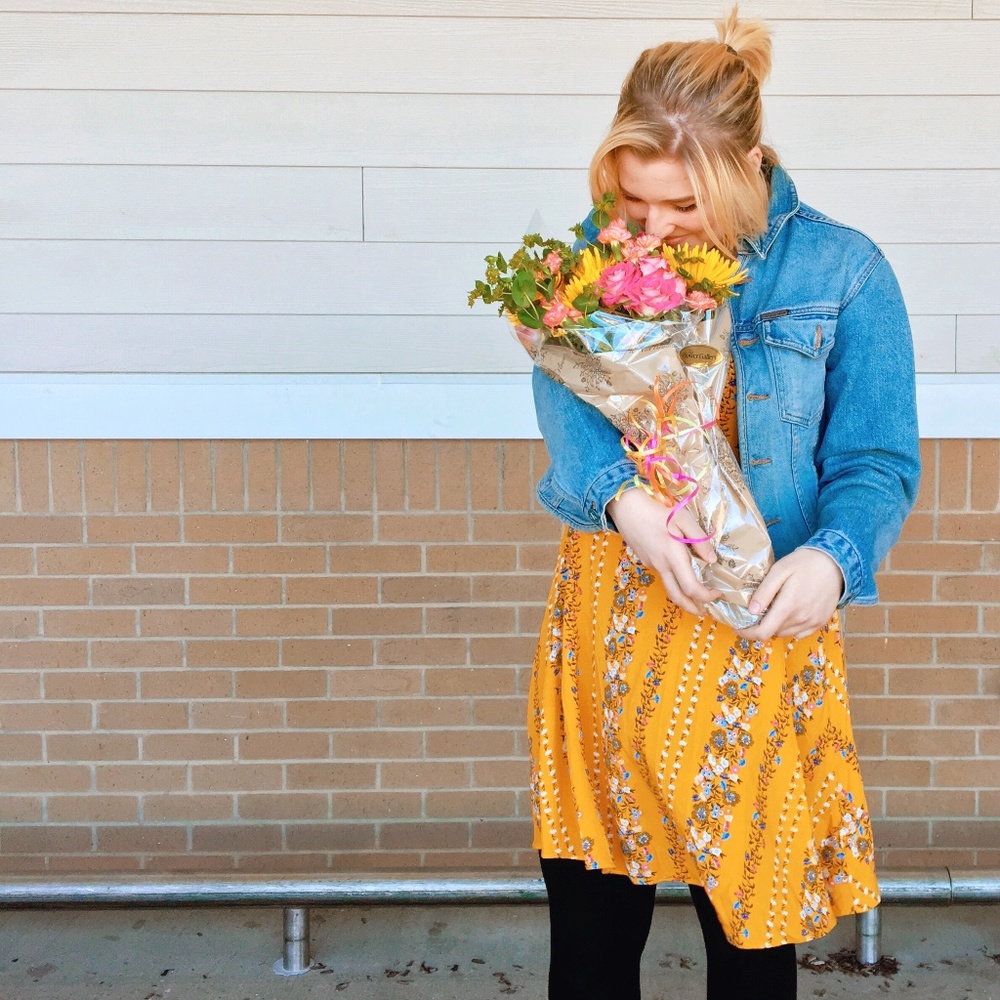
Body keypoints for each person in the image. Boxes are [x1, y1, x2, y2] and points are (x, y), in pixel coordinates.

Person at [527, 8, 921, 1000]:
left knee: (750, 938)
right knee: (592, 926)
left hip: (758, 617)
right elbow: (570, 402)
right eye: (632, 200)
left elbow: (875, 458)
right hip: (619, 601)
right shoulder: (592, 256)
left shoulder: (842, 270)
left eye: (682, 204)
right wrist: (625, 508)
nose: (652, 230)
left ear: (747, 165)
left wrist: (833, 559)